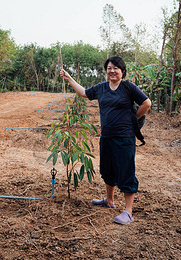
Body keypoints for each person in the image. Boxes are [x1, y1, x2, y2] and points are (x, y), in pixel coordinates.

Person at [60, 56, 151, 225]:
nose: (112, 70)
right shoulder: (101, 88)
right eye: (109, 68)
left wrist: (133, 120)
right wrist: (69, 78)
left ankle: (128, 211)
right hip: (107, 136)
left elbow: (146, 103)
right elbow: (83, 93)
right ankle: (109, 200)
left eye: (116, 68)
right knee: (107, 169)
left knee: (125, 171)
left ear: (122, 71)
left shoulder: (128, 87)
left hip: (125, 137)